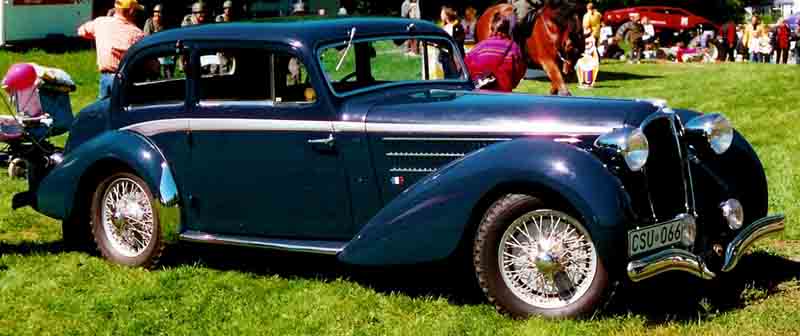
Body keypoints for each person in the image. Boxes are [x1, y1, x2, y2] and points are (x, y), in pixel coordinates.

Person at [77, 0, 145, 99]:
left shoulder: (100, 23)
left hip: (106, 78)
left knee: (104, 111)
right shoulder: (137, 33)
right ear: (131, 11)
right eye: (136, 11)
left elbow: (81, 31)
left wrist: (99, 36)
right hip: (126, 79)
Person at [465, 13, 526, 92]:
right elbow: (519, 71)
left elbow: (465, 67)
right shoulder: (514, 48)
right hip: (503, 95)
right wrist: (510, 84)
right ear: (508, 29)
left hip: (478, 94)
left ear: (491, 28)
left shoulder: (478, 47)